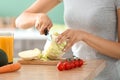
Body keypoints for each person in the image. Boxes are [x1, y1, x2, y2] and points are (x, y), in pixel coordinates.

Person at [15, 0, 120, 80]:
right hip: (78, 73)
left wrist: (84, 36)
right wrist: (37, 17)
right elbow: (20, 20)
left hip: (109, 75)